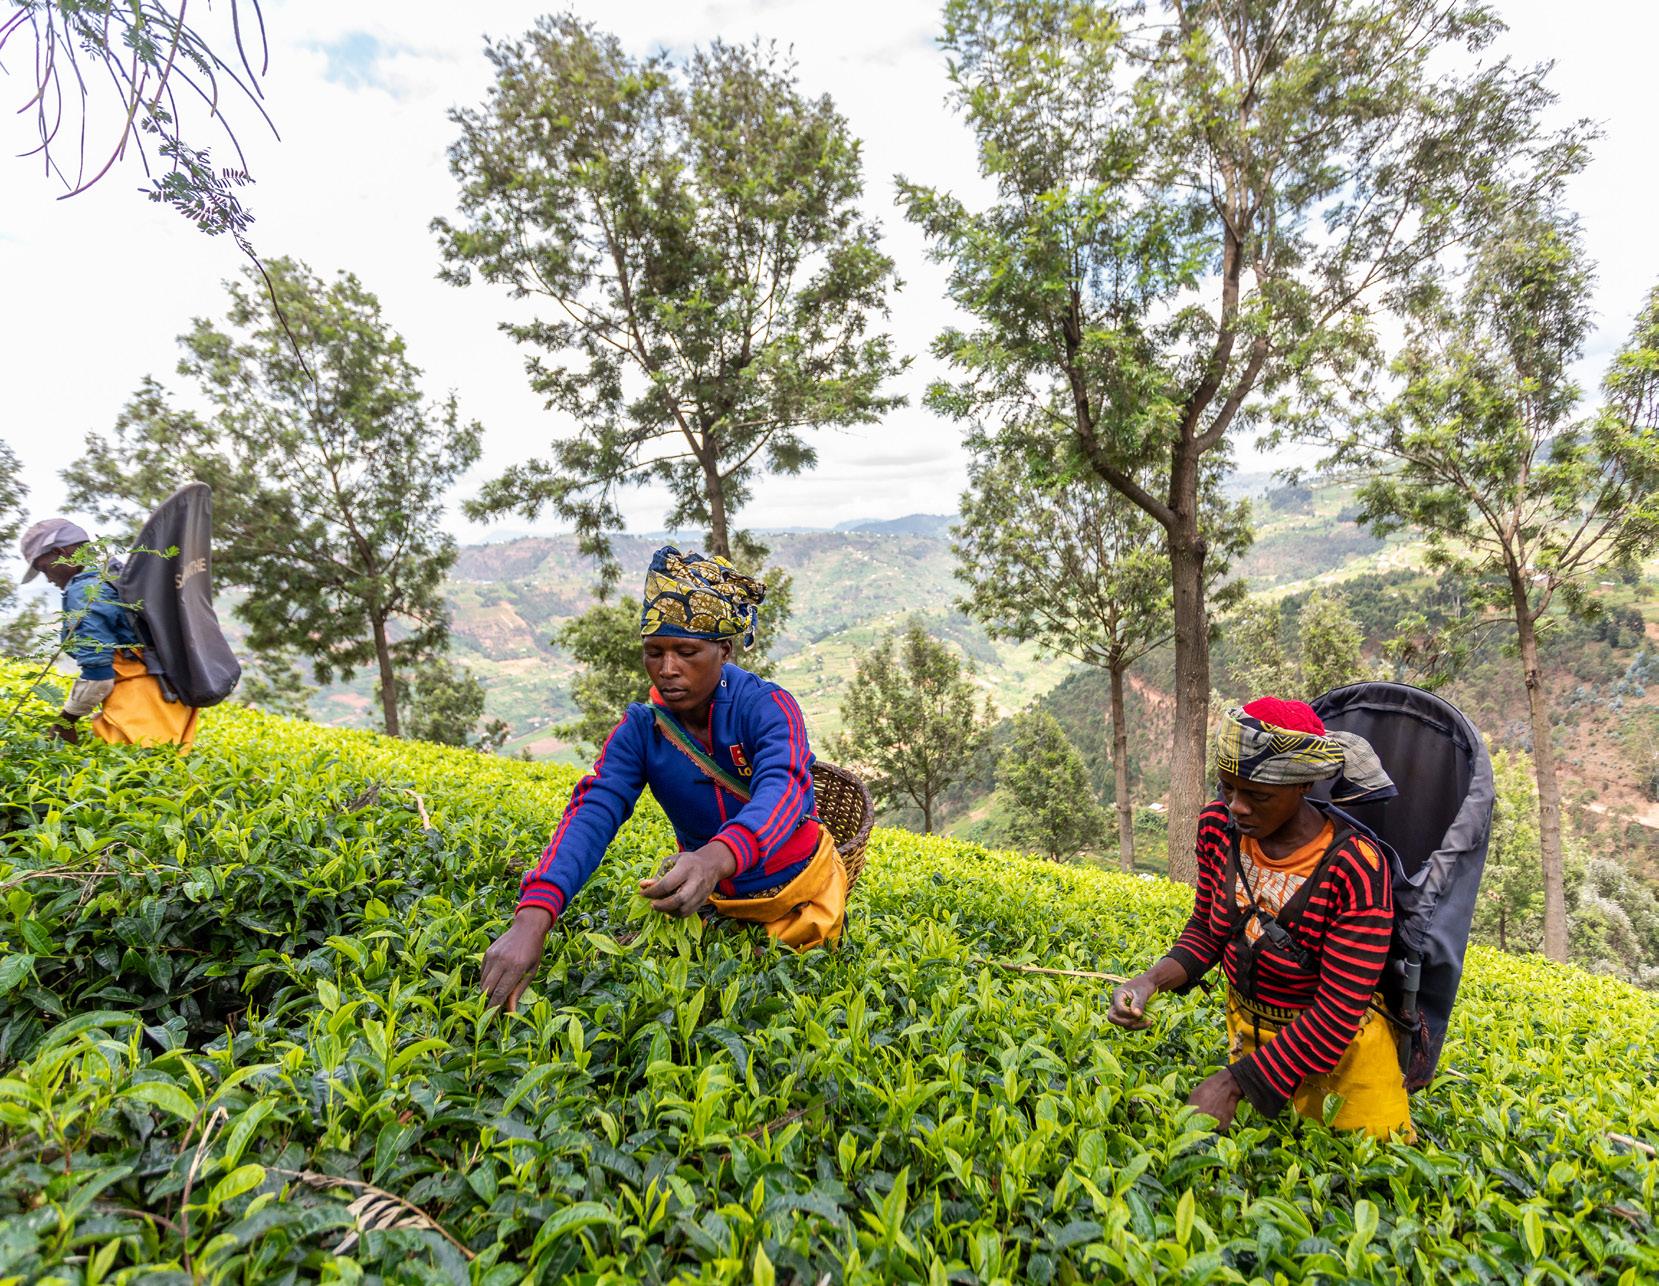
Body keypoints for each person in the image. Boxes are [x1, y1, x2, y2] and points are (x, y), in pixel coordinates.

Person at [481, 547, 847, 1010]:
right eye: (654, 653)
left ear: (724, 650)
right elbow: (594, 811)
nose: (668, 669)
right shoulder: (642, 730)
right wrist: (533, 918)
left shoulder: (767, 707)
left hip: (796, 900)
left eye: (687, 652)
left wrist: (714, 858)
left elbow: (785, 788)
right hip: (708, 905)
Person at [1109, 697, 1412, 1140]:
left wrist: (1233, 1084)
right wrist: (1150, 981)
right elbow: (1207, 930)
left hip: (1342, 1056)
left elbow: (1340, 1008)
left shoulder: (1354, 867)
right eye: (1227, 788)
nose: (1237, 807)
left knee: (1350, 1169)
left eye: (1258, 795)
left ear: (1303, 785)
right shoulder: (1218, 828)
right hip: (1250, 1036)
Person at [20, 517, 198, 749]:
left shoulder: (85, 591)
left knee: (134, 767)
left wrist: (64, 722)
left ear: (61, 553)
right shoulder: (115, 574)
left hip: (140, 706)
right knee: (170, 764)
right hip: (172, 695)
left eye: (44, 568)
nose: (48, 579)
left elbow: (99, 676)